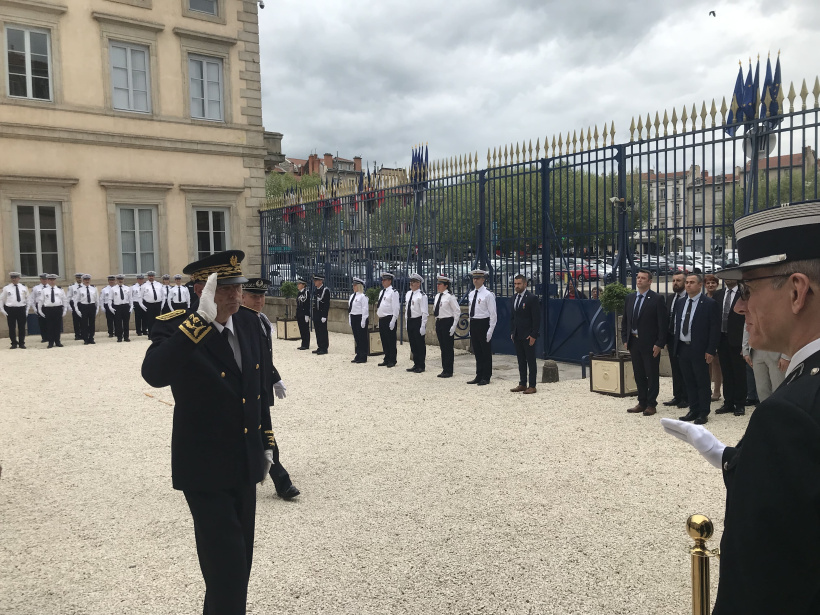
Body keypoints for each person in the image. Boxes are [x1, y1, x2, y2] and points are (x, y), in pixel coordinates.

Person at [661, 200, 820, 613]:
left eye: (748, 289)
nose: (739, 305)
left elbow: (758, 583)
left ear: (798, 291)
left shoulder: (788, 414)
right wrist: (730, 458)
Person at [141, 250, 274, 615]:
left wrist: (266, 442)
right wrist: (199, 321)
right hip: (204, 466)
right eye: (224, 288)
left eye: (237, 287)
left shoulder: (248, 323)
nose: (235, 295)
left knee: (238, 568)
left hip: (245, 462)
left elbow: (256, 389)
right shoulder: (176, 325)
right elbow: (154, 373)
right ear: (202, 289)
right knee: (226, 569)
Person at [241, 277, 300, 500]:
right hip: (248, 389)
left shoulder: (261, 319)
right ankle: (282, 482)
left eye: (262, 296)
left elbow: (263, 356)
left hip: (260, 386)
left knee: (260, 432)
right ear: (242, 297)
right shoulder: (241, 321)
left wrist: (274, 377)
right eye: (254, 296)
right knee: (265, 434)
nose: (259, 300)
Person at [670, 273, 719, 425]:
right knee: (688, 381)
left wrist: (711, 350)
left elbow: (714, 329)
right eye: (687, 282)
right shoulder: (681, 302)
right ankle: (693, 409)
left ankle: (703, 412)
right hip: (683, 347)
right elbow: (677, 324)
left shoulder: (709, 303)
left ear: (699, 285)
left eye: (692, 282)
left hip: (699, 348)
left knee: (702, 381)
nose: (688, 285)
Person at [622, 269, 667, 415]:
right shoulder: (630, 298)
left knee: (651, 374)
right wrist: (625, 338)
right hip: (634, 342)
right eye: (638, 277)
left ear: (649, 281)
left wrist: (660, 343)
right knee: (638, 373)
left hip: (650, 343)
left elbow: (662, 323)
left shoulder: (657, 299)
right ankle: (641, 401)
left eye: (643, 278)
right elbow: (625, 321)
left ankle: (651, 404)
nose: (639, 280)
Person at [713, 277, 747, 416]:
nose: (728, 278)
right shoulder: (718, 294)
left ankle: (740, 404)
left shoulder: (744, 294)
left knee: (738, 373)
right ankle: (728, 402)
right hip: (721, 339)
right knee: (726, 371)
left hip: (737, 340)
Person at [509, 273, 541, 394]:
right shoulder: (514, 298)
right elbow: (512, 317)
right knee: (521, 360)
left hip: (528, 335)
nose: (517, 286)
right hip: (517, 334)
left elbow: (536, 318)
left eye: (519, 284)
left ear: (525, 284)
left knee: (531, 360)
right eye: (515, 284)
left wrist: (533, 334)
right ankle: (522, 383)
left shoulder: (531, 298)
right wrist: (512, 332)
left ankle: (532, 385)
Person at [662, 272, 689, 409]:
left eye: (678, 280)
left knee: (685, 368)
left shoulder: (689, 299)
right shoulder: (670, 298)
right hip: (672, 338)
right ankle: (677, 396)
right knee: (675, 368)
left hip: (684, 339)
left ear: (685, 282)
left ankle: (687, 397)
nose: (675, 283)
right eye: (673, 280)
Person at [742, 326, 789, 402]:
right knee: (761, 389)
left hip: (776, 351)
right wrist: (745, 349)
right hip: (756, 351)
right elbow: (747, 324)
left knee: (778, 388)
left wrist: (786, 355)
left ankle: (780, 413)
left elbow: (787, 327)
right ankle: (765, 413)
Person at [467, 269, 497, 385]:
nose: (475, 280)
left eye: (478, 278)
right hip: (474, 323)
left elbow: (493, 314)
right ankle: (479, 375)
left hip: (484, 323)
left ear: (483, 280)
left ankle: (486, 376)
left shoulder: (488, 294)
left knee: (485, 351)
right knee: (477, 351)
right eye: (474, 278)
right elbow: (471, 311)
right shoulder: (471, 294)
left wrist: (490, 330)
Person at [433, 274, 460, 378]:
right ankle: (444, 369)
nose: (438, 285)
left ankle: (449, 370)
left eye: (440, 284)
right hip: (439, 322)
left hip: (447, 322)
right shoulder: (437, 296)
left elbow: (457, 311)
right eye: (438, 284)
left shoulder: (450, 297)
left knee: (448, 348)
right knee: (442, 347)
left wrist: (454, 326)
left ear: (446, 285)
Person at [704, 273, 724, 401]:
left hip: (718, 334)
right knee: (706, 364)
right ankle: (707, 389)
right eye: (708, 283)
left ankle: (717, 391)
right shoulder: (702, 298)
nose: (711, 285)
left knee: (717, 365)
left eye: (713, 283)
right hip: (704, 335)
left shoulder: (721, 297)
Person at [404, 273, 428, 373]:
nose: (411, 283)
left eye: (413, 282)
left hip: (418, 320)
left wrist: (423, 326)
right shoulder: (408, 293)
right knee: (413, 343)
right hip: (410, 320)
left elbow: (425, 312)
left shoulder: (422, 296)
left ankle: (421, 365)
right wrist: (406, 322)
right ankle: (415, 363)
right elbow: (406, 309)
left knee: (419, 344)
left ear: (418, 284)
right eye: (411, 281)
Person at [375, 272, 400, 367]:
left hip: (389, 318)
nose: (383, 282)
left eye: (385, 280)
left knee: (391, 340)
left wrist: (393, 320)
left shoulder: (393, 292)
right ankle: (386, 357)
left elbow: (396, 307)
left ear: (390, 281)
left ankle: (392, 359)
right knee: (384, 339)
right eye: (382, 280)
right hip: (382, 318)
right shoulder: (382, 292)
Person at [38, 273, 67, 348]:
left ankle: (57, 341)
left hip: (58, 308)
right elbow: (41, 300)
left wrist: (65, 310)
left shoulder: (60, 290)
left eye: (53, 280)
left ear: (55, 280)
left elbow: (64, 300)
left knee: (57, 326)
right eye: (50, 280)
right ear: (47, 280)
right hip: (48, 309)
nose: (52, 281)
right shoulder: (44, 290)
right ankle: (50, 342)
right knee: (49, 326)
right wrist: (40, 310)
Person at [2, 272, 29, 349]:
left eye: (15, 278)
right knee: (11, 327)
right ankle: (13, 343)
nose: (14, 279)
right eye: (12, 278)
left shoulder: (24, 287)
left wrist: (27, 309)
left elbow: (28, 299)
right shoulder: (6, 288)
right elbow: (2, 299)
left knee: (22, 327)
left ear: (19, 278)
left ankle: (21, 343)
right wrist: (2, 309)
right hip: (10, 309)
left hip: (21, 308)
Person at [348, 277, 369, 363]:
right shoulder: (352, 296)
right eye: (353, 285)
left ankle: (363, 356)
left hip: (360, 317)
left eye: (355, 285)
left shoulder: (362, 296)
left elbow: (365, 309)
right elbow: (350, 308)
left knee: (362, 338)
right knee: (356, 337)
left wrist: (363, 320)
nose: (353, 287)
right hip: (353, 317)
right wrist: (350, 318)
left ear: (359, 286)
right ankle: (358, 354)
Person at [74, 274, 99, 344]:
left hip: (92, 306)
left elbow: (97, 300)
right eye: (85, 280)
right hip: (83, 307)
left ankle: (91, 338)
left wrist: (97, 309)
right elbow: (76, 301)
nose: (87, 281)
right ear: (83, 280)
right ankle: (85, 339)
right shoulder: (79, 290)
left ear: (90, 280)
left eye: (88, 279)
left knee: (92, 323)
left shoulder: (94, 288)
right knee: (84, 324)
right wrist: (77, 310)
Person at [108, 274, 133, 342]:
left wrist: (131, 307)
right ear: (116, 280)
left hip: (125, 306)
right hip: (117, 307)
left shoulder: (128, 288)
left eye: (121, 279)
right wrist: (110, 307)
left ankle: (126, 337)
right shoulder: (113, 289)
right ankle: (119, 337)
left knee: (126, 323)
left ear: (123, 280)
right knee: (118, 323)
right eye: (119, 279)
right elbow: (110, 299)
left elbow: (130, 298)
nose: (120, 281)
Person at [140, 271, 164, 336]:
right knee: (150, 320)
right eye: (150, 276)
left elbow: (163, 295)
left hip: (158, 304)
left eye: (152, 276)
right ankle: (150, 334)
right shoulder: (144, 285)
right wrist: (142, 305)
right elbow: (140, 297)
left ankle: (157, 334)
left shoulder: (159, 284)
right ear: (148, 277)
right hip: (149, 304)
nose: (151, 277)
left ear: (154, 276)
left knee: (157, 320)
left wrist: (162, 304)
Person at [27, 273, 49, 342]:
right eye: (43, 279)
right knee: (42, 323)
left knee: (50, 322)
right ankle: (44, 337)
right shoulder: (36, 288)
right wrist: (34, 308)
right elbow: (32, 299)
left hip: (49, 306)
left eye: (46, 279)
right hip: (40, 306)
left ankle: (51, 336)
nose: (44, 280)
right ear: (40, 280)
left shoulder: (51, 287)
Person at [312, 274, 329, 355]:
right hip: (316, 313)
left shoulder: (325, 290)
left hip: (322, 314)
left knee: (323, 331)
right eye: (314, 280)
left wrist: (324, 315)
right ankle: (319, 346)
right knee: (317, 331)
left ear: (321, 281)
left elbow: (326, 304)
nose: (314, 282)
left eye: (316, 280)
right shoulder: (316, 290)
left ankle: (324, 347)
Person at [295, 277, 311, 350]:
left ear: (303, 285)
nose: (298, 285)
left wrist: (307, 314)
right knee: (301, 328)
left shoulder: (306, 293)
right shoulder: (299, 293)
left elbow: (307, 304)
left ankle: (306, 344)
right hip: (299, 313)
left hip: (304, 313)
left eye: (299, 284)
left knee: (305, 329)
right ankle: (303, 343)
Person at [67, 272, 83, 340]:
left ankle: (83, 333)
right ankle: (77, 335)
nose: (79, 279)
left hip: (82, 304)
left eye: (80, 278)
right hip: (74, 304)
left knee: (83, 320)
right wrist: (69, 307)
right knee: (76, 321)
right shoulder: (72, 287)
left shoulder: (85, 286)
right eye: (78, 278)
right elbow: (68, 297)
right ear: (76, 278)